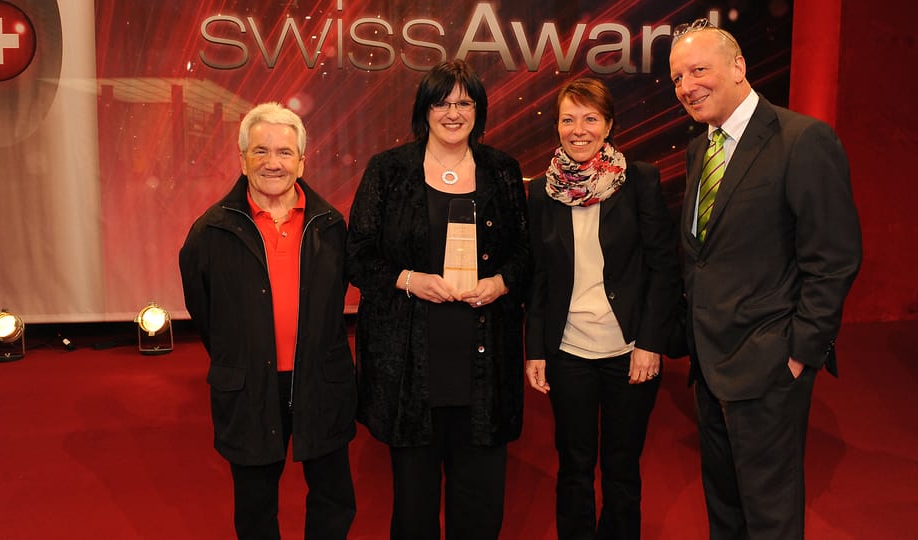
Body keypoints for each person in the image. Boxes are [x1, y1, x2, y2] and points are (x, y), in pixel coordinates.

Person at [669, 20, 862, 539]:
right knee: (725, 512)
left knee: (771, 519)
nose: (687, 86)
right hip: (709, 366)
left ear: (738, 67)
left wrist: (800, 352)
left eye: (698, 70)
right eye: (678, 78)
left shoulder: (804, 140)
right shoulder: (699, 149)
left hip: (771, 364)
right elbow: (704, 257)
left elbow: (835, 258)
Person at [346, 60, 530, 539]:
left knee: (481, 505)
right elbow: (358, 255)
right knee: (414, 507)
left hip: (484, 364)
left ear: (478, 110)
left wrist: (500, 283)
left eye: (464, 102)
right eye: (442, 102)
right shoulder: (388, 171)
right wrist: (409, 278)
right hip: (410, 365)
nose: (453, 113)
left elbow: (526, 253)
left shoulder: (502, 171)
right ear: (424, 110)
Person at [179, 102, 357, 539]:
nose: (272, 163)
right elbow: (205, 315)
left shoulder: (330, 226)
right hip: (251, 387)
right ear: (242, 160)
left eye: (284, 152)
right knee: (256, 509)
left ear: (302, 159)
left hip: (321, 380)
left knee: (334, 500)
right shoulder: (210, 232)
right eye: (260, 152)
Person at [524, 78, 683, 540]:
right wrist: (535, 348)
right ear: (556, 126)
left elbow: (663, 268)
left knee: (621, 466)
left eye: (590, 118)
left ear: (609, 125)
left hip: (629, 349)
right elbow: (538, 276)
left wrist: (649, 342)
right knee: (573, 465)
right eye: (568, 119)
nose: (579, 129)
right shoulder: (541, 191)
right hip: (569, 350)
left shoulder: (640, 180)